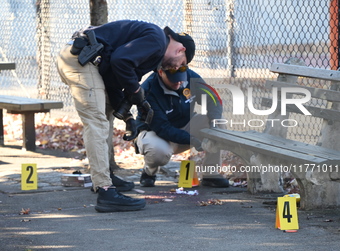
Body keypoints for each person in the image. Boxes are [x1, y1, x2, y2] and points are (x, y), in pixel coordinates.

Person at [56, 20, 195, 212]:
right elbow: (121, 61)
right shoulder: (157, 40)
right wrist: (136, 90)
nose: (177, 68)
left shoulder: (153, 50)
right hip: (82, 61)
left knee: (106, 117)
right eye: (182, 64)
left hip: (89, 62)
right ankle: (105, 190)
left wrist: (128, 116)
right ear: (181, 50)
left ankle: (105, 177)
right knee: (97, 122)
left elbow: (115, 76)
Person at [135, 28, 229, 188]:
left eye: (180, 77)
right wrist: (192, 140)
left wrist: (213, 124)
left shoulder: (190, 75)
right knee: (159, 152)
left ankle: (210, 174)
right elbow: (162, 127)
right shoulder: (148, 90)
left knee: (218, 123)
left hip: (184, 126)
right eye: (173, 78)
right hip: (157, 134)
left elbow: (213, 99)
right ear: (160, 71)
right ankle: (149, 171)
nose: (178, 82)